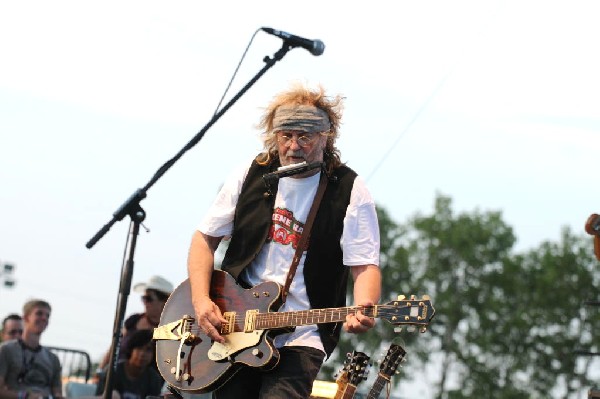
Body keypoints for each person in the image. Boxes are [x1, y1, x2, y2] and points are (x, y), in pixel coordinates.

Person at [187, 83, 382, 398]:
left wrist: (365, 306)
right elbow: (203, 239)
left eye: (304, 136)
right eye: (285, 135)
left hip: (303, 333)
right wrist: (201, 300)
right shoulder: (250, 174)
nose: (293, 145)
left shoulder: (349, 189)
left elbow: (365, 265)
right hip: (237, 325)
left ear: (326, 136)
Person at [99, 275, 173, 370]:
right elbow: (114, 348)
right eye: (144, 298)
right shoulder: (133, 320)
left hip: (151, 383)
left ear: (164, 302)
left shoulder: (173, 330)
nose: (145, 302)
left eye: (149, 299)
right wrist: (99, 372)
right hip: (118, 377)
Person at [0, 299, 62, 399]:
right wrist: (24, 396)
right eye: (39, 313)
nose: (44, 318)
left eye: (47, 316)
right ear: (25, 317)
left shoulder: (53, 359)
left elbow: (57, 392)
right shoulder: (6, 350)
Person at [96, 329, 164, 399]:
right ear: (131, 349)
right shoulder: (113, 370)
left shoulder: (154, 378)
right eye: (139, 348)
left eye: (148, 350)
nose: (142, 354)